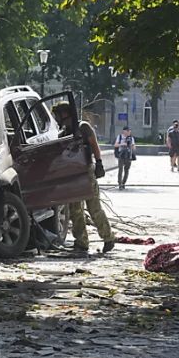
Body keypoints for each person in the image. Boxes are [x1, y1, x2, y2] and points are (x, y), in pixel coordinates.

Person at [51, 102, 116, 254]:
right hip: (72, 176)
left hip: (86, 173)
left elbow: (94, 144)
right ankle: (81, 242)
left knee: (94, 208)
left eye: (58, 115)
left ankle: (108, 238)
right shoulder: (63, 133)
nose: (57, 118)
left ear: (65, 113)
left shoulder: (83, 127)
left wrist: (99, 163)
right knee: (75, 211)